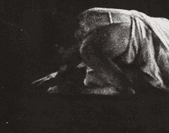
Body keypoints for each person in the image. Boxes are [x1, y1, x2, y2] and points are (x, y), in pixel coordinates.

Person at [40, 7, 169, 97]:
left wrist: (77, 91)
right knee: (95, 76)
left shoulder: (88, 49)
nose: (64, 62)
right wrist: (62, 71)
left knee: (96, 80)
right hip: (163, 26)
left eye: (61, 58)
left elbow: (126, 90)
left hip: (162, 48)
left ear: (59, 47)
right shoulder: (88, 16)